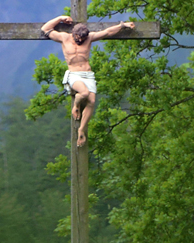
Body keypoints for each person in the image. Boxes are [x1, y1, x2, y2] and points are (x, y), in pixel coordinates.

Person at [39, 14, 135, 146]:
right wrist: (60, 18)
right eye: (78, 38)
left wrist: (122, 25)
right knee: (84, 93)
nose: (80, 40)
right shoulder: (64, 38)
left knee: (92, 101)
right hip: (74, 74)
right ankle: (76, 106)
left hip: (88, 74)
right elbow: (45, 29)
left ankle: (81, 130)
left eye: (83, 38)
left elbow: (107, 32)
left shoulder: (89, 38)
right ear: (74, 34)